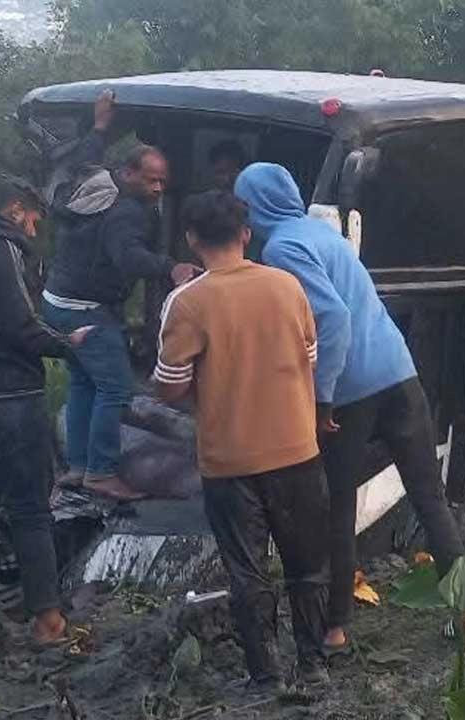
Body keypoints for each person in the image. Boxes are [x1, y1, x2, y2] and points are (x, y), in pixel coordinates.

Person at [234, 163, 465, 654]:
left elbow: (332, 317)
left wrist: (321, 396)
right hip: (398, 372)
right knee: (428, 495)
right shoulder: (321, 234)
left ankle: (337, 626)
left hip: (351, 391)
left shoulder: (282, 248)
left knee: (338, 507)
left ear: (253, 206)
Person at [153, 190, 330, 689]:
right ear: (246, 235)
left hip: (229, 462)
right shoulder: (287, 286)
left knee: (248, 571)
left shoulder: (187, 302)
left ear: (192, 240)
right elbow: (310, 358)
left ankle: (266, 675)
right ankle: (314, 665)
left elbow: (170, 386)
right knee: (306, 566)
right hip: (297, 450)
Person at [41, 90, 199, 501]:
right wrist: (171, 267)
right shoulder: (127, 212)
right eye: (151, 180)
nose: (158, 189)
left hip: (57, 299)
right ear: (129, 174)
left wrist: (99, 126)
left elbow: (81, 159)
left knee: (84, 382)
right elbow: (127, 257)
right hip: (87, 310)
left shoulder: (93, 182)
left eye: (163, 182)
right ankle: (101, 472)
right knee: (115, 389)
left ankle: (78, 466)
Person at [0, 176, 93, 658]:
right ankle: (48, 621)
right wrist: (67, 345)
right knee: (30, 510)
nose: (33, 230)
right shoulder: (0, 248)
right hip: (9, 398)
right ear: (15, 209)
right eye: (33, 219)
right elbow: (19, 326)